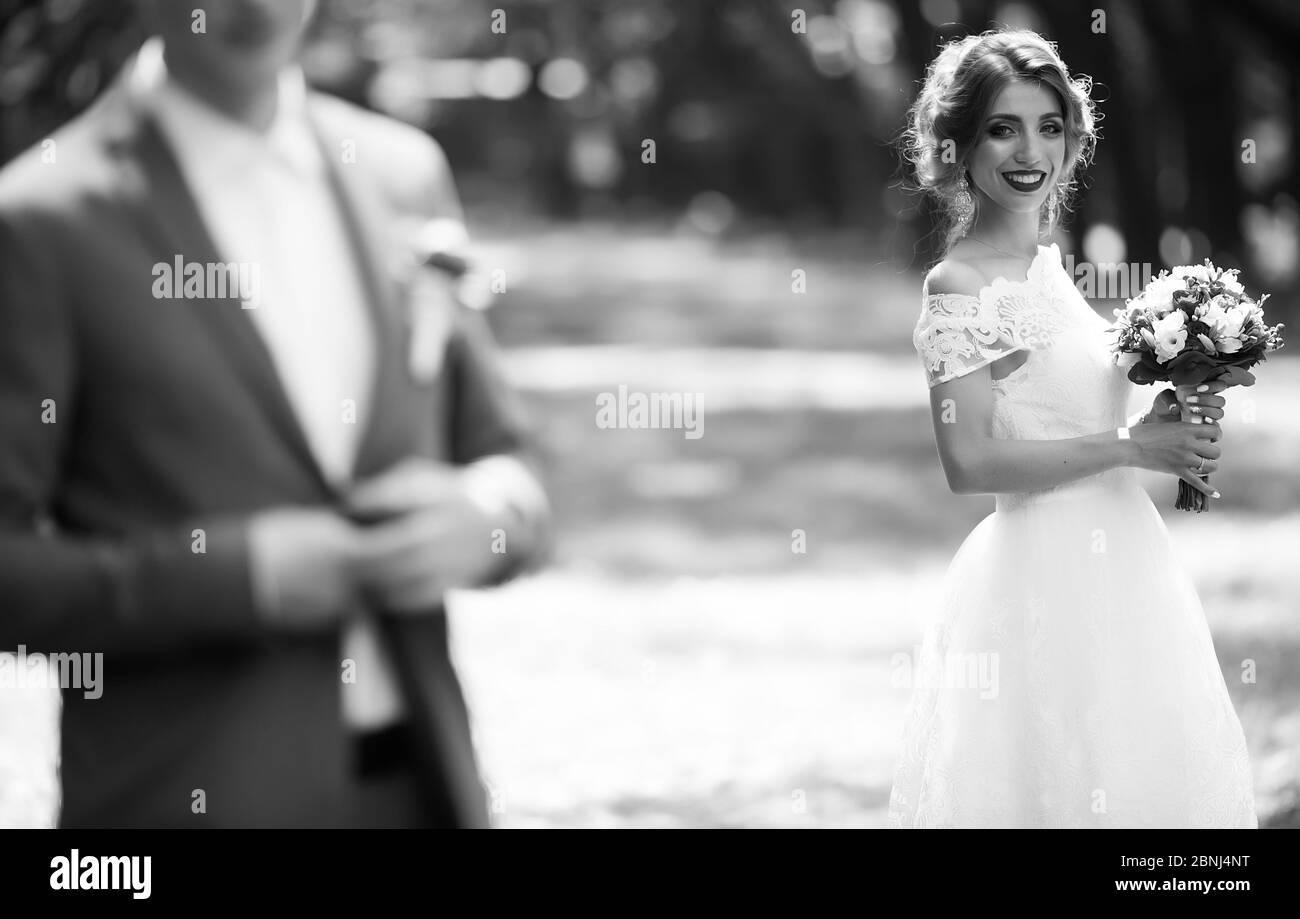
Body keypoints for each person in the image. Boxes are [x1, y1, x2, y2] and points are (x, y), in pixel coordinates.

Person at [0, 0, 549, 827]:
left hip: (421, 790)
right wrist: (233, 581)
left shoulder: (401, 171)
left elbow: (507, 456)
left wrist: (492, 517)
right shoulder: (40, 222)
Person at [889, 29, 1255, 827]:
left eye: (1048, 126)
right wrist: (1131, 448)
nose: (1031, 150)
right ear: (956, 145)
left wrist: (1160, 421)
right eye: (1002, 127)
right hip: (1040, 574)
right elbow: (971, 459)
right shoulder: (959, 286)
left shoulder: (1049, 263)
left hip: (1127, 560)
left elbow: (1067, 405)